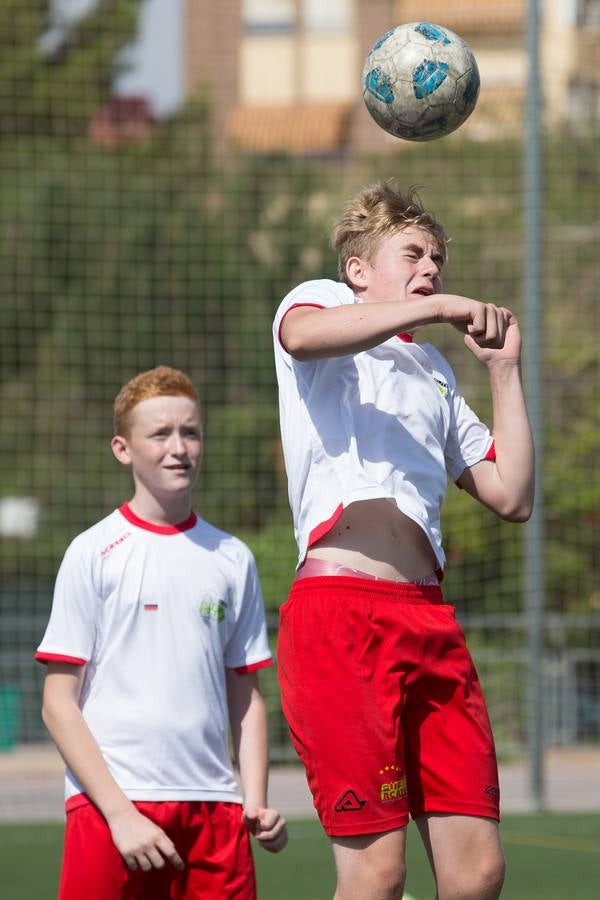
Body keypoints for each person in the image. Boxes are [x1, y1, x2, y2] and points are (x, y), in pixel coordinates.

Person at [272, 182, 534, 900]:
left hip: (426, 617)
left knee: (478, 871)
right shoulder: (318, 303)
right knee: (377, 873)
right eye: (412, 254)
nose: (431, 269)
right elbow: (301, 335)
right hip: (340, 615)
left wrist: (504, 372)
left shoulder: (434, 372)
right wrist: (437, 307)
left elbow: (512, 493)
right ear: (360, 269)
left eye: (439, 260)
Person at [36, 365, 287, 900]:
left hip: (216, 809)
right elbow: (59, 702)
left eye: (190, 432)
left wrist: (255, 798)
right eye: (160, 434)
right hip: (113, 807)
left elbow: (246, 693)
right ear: (122, 449)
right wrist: (120, 815)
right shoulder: (92, 552)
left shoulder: (232, 557)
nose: (179, 448)